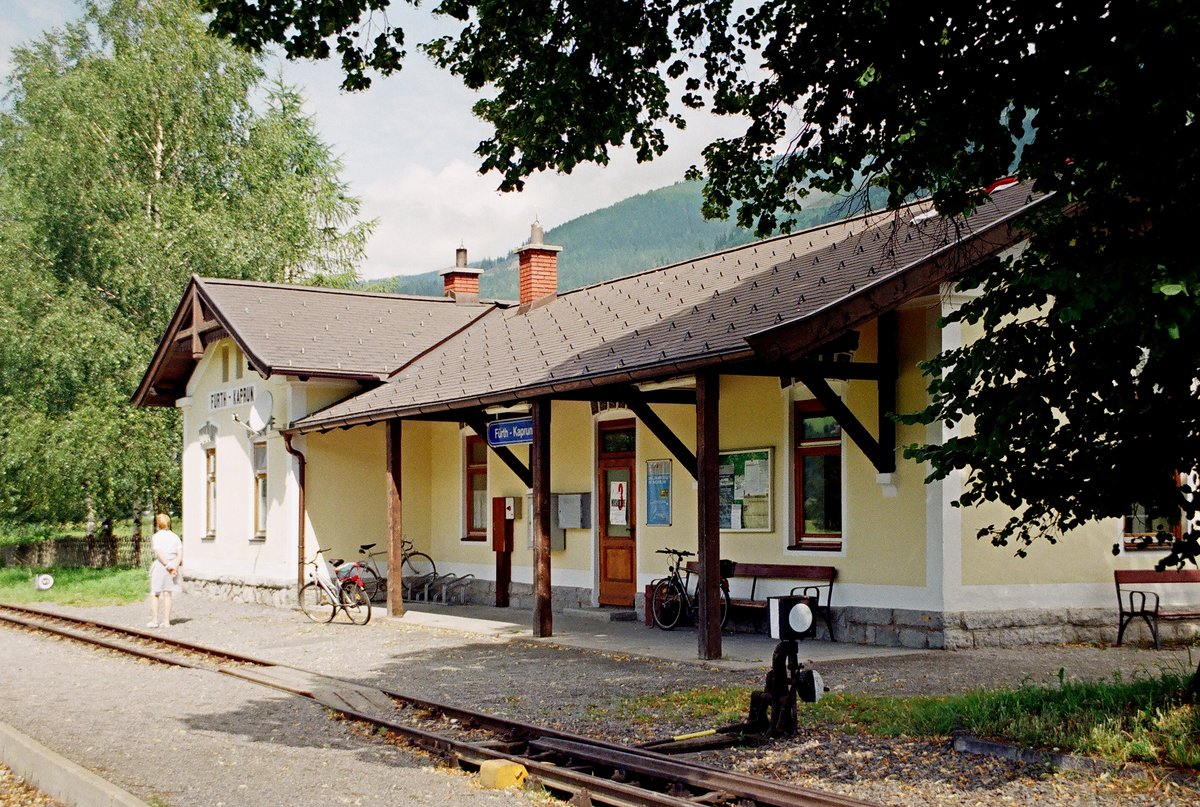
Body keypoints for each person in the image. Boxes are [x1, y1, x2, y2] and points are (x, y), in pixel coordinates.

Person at [148, 513, 183, 628]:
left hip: (161, 566)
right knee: (168, 593)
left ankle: (154, 620)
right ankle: (166, 621)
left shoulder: (157, 536)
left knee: (155, 593)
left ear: (158, 524)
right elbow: (179, 554)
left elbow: (159, 553)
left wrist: (168, 566)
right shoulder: (175, 536)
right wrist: (175, 567)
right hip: (173, 565)